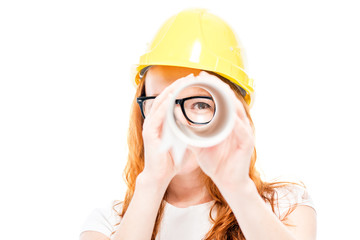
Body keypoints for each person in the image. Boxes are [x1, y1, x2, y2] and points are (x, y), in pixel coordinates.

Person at [79, 8, 317, 240]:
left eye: (201, 104)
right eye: (161, 102)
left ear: (231, 113)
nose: (177, 121)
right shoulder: (109, 224)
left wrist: (237, 187)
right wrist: (152, 181)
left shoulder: (285, 207)